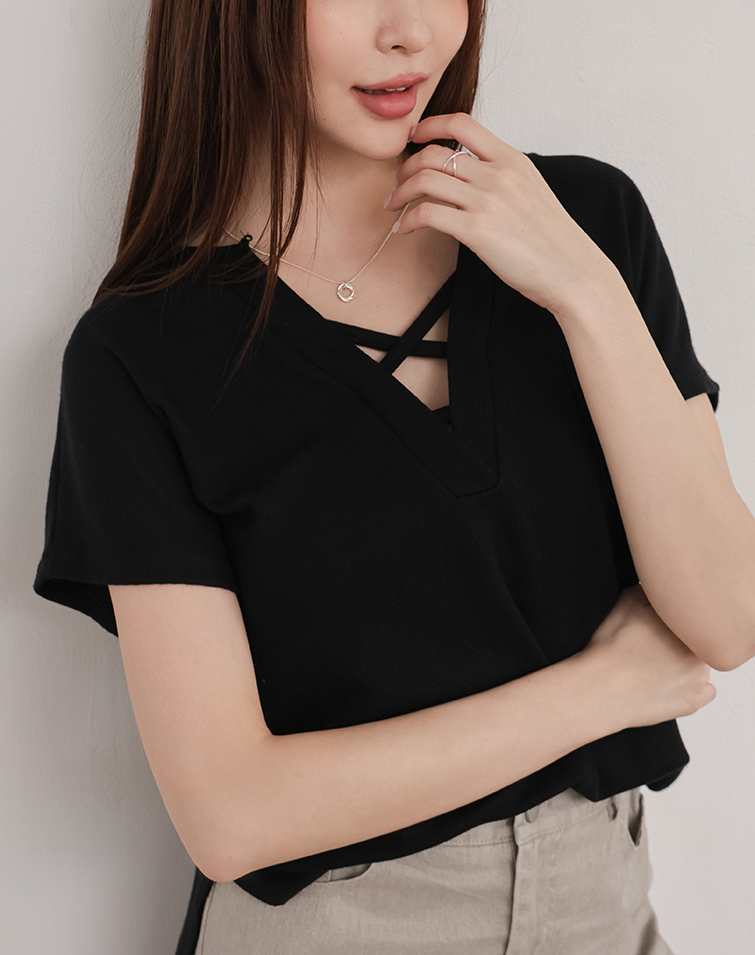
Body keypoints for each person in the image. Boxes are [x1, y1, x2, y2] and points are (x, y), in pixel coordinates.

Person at [33, 1, 755, 953]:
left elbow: (726, 617)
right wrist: (606, 688)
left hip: (608, 914)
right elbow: (232, 816)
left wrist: (581, 288)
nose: (410, 30)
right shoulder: (143, 353)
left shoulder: (586, 220)